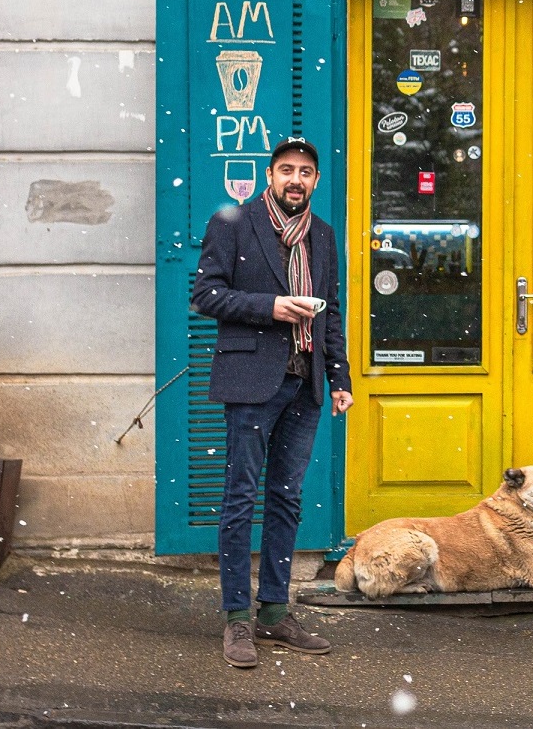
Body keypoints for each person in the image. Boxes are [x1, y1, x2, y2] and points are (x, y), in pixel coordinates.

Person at [190, 136, 354, 668]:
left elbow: (331, 315)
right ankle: (237, 618)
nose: (295, 180)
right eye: (286, 170)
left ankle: (275, 611)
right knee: (241, 498)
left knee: (286, 499)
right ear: (270, 175)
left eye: (305, 172)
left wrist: (340, 378)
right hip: (251, 381)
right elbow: (206, 295)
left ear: (316, 181)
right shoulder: (233, 223)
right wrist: (272, 307)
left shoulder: (324, 236)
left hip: (304, 385)